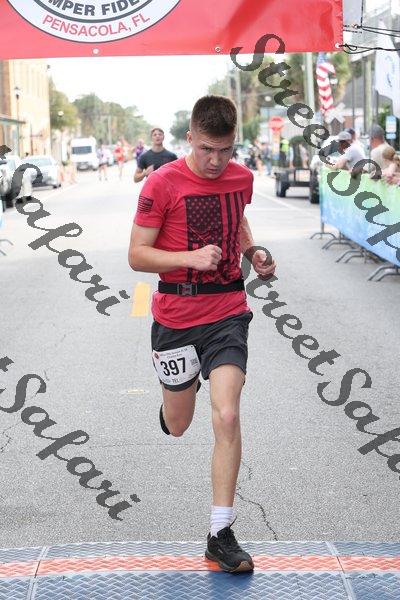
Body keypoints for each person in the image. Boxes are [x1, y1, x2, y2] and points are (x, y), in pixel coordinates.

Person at [128, 95, 276, 573]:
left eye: (225, 150)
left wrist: (252, 252)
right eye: (207, 149)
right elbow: (137, 254)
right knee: (179, 425)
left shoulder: (242, 178)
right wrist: (188, 258)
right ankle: (178, 391)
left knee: (228, 414)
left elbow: (238, 219)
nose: (216, 161)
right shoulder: (162, 182)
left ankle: (220, 534)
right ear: (189, 137)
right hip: (175, 316)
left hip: (227, 310)